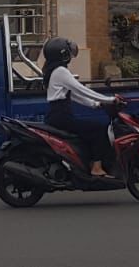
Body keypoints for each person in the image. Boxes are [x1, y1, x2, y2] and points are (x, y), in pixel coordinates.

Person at [41, 37, 118, 177]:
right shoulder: (60, 71)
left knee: (87, 132)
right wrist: (110, 100)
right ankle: (96, 168)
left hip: (57, 116)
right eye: (68, 53)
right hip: (62, 117)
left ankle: (86, 164)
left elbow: (75, 94)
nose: (70, 56)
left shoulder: (54, 71)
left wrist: (96, 104)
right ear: (61, 54)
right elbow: (82, 90)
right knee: (99, 129)